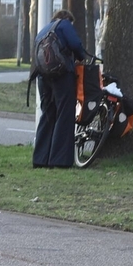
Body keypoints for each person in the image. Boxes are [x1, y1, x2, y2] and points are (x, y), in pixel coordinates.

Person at [33, 9, 86, 168]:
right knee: (64, 114)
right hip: (62, 75)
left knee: (48, 115)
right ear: (68, 19)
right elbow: (75, 44)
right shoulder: (65, 24)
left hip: (43, 76)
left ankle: (40, 159)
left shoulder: (44, 29)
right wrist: (81, 57)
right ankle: (60, 160)